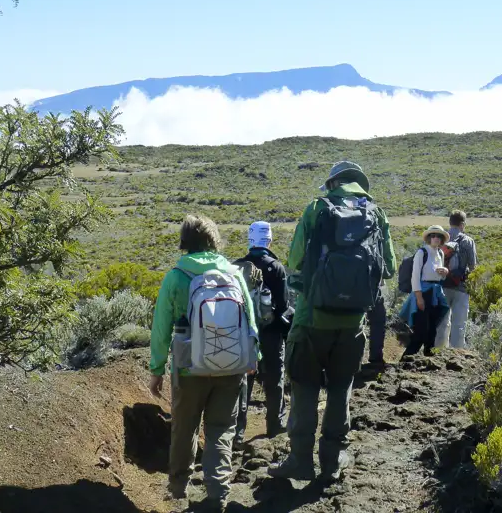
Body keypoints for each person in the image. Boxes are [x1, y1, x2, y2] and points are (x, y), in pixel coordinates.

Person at [268, 161, 396, 482]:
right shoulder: (377, 215)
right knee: (340, 389)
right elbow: (390, 267)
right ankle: (333, 460)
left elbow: (294, 259)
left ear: (334, 183)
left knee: (305, 387)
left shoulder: (317, 208)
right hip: (352, 324)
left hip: (311, 319)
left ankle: (300, 459)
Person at [149, 215, 259, 513]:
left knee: (184, 428)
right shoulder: (233, 273)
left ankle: (178, 488)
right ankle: (218, 492)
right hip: (232, 366)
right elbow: (250, 320)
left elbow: (161, 328)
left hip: (189, 368)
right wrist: (253, 357)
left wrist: (156, 370)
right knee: (221, 429)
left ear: (185, 242)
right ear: (214, 240)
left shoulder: (176, 276)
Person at [232, 221, 290, 445]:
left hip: (244, 335)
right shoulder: (276, 267)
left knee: (243, 381)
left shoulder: (236, 266)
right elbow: (283, 305)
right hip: (271, 333)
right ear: (269, 239)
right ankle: (275, 425)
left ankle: (237, 431)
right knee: (275, 378)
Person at [400, 225, 451, 357]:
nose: (436, 238)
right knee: (421, 330)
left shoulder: (440, 253)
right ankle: (406, 360)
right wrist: (419, 297)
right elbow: (415, 276)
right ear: (429, 238)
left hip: (436, 293)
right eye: (433, 236)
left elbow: (439, 276)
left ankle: (429, 359)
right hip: (423, 293)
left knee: (432, 329)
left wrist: (445, 272)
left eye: (439, 236)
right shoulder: (422, 253)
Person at [435, 210, 477, 349]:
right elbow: (472, 267)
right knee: (459, 323)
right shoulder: (468, 241)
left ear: (450, 222)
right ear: (463, 224)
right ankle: (456, 355)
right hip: (461, 287)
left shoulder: (441, 239)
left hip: (442, 286)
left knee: (442, 322)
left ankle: (438, 352)